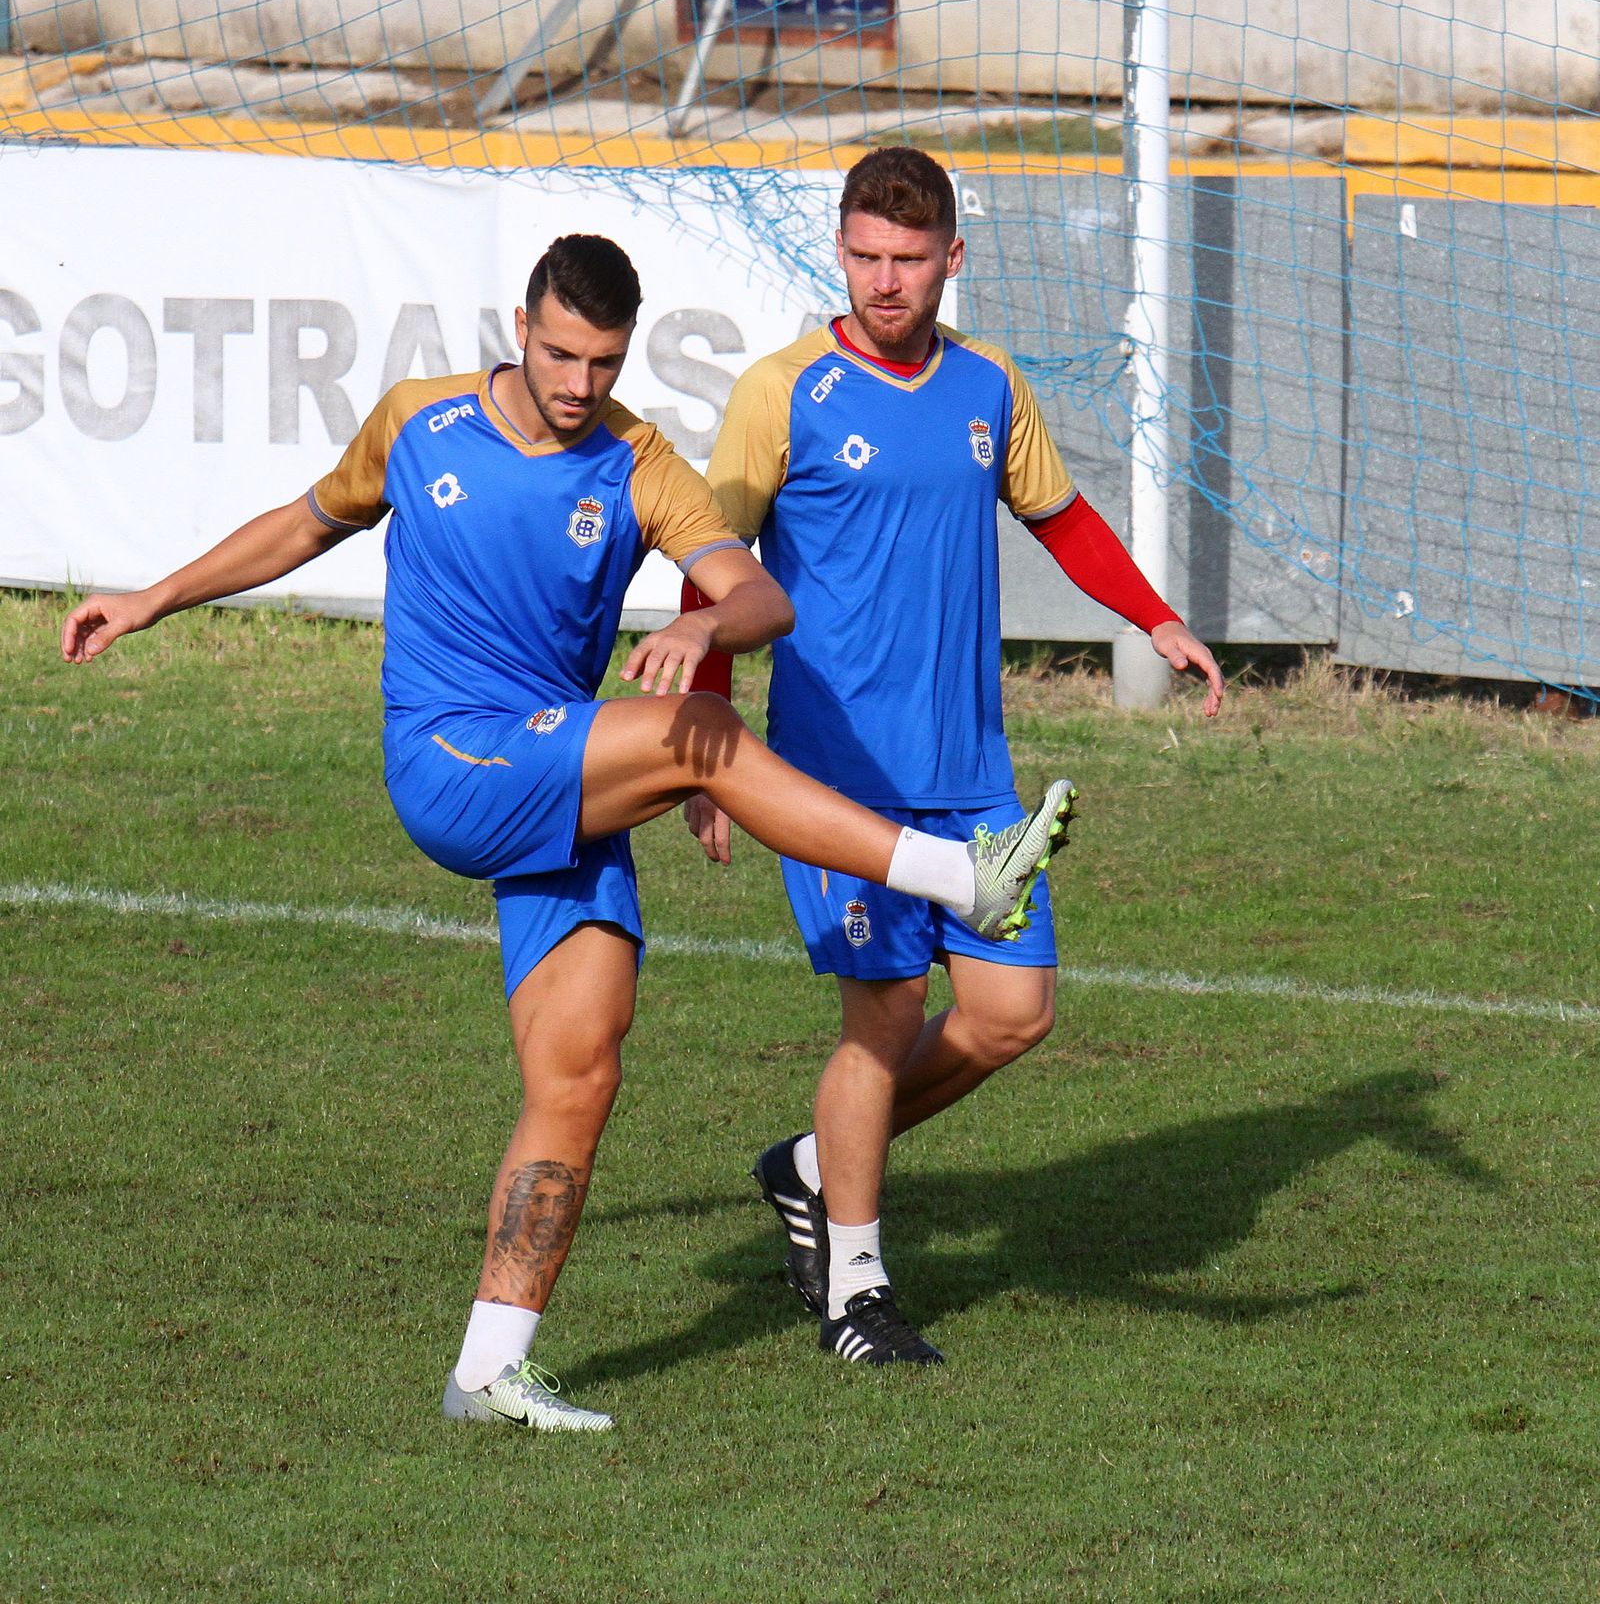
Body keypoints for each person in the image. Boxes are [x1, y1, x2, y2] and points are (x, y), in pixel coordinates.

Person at [61, 233, 1077, 1430]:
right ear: (519, 325)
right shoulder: (419, 422)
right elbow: (304, 523)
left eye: (601, 361)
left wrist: (707, 630)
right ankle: (959, 876)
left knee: (580, 1069)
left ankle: (489, 1369)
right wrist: (151, 597)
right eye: (559, 353)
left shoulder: (636, 461)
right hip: (455, 757)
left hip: (560, 780)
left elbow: (757, 591)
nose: (577, 382)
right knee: (686, 738)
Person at [684, 150, 1225, 1366]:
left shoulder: (988, 384)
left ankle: (817, 1164)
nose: (884, 282)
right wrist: (705, 746)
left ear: (950, 260)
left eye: (908, 261)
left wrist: (1154, 617)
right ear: (841, 249)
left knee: (1012, 1013)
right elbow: (712, 570)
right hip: (836, 782)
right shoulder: (785, 390)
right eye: (865, 257)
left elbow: (1063, 517)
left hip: (971, 775)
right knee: (885, 1014)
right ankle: (856, 1292)